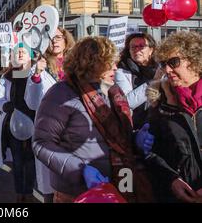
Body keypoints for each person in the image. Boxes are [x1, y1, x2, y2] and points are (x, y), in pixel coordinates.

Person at [33, 37, 154, 203]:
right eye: (109, 63)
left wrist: (135, 139)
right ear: (91, 63)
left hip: (120, 185)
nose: (115, 67)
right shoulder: (60, 93)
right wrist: (80, 170)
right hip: (77, 193)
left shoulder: (113, 92)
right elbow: (42, 143)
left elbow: (114, 138)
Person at [142, 31, 202, 203]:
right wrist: (171, 180)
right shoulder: (160, 101)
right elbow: (152, 153)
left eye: (173, 62)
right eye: (163, 64)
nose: (167, 70)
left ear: (195, 60)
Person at [25, 27, 75, 202]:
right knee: (50, 184)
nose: (55, 41)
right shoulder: (40, 65)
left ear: (66, 40)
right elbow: (31, 102)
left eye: (59, 37)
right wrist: (37, 75)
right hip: (50, 130)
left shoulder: (76, 65)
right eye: (51, 38)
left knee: (71, 181)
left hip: (73, 128)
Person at [0, 45, 36, 202]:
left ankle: (29, 190)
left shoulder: (36, 74)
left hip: (33, 122)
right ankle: (19, 191)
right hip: (14, 123)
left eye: (23, 51)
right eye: (16, 52)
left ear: (30, 56)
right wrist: (5, 105)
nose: (19, 54)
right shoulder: (7, 76)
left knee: (30, 160)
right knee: (17, 160)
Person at [115, 33, 162, 129]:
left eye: (141, 46)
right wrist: (154, 81)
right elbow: (127, 102)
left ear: (151, 50)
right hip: (137, 126)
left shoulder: (161, 68)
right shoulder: (122, 71)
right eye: (133, 47)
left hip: (160, 122)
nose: (137, 50)